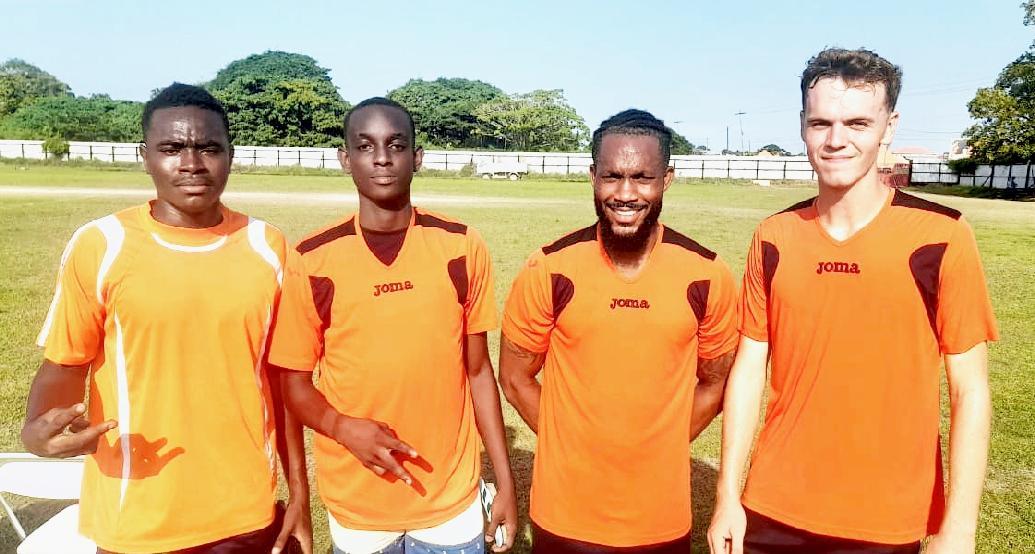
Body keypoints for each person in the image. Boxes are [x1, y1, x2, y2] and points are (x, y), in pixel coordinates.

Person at [708, 48, 997, 554]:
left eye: (858, 123)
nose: (836, 140)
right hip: (772, 506)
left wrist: (959, 530)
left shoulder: (941, 236)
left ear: (889, 126)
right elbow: (749, 370)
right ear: (802, 126)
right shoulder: (774, 236)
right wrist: (727, 494)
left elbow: (969, 390)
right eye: (821, 123)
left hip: (886, 520)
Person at [22, 83, 312, 553]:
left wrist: (299, 492)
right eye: (172, 148)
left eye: (209, 148)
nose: (192, 163)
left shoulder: (269, 247)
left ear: (230, 156)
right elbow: (65, 364)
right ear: (145, 156)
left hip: (244, 512)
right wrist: (37, 428)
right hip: (134, 516)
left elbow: (280, 381)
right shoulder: (102, 245)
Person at [267, 97, 517, 554]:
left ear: (416, 158)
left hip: (450, 500)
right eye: (365, 146)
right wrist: (342, 428)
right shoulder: (313, 258)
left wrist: (505, 481)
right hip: (358, 501)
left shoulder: (460, 246)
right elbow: (293, 385)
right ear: (346, 159)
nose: (382, 158)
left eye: (396, 145)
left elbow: (479, 371)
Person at [499, 109, 739, 553]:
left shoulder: (707, 274)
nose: (625, 193)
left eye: (642, 178)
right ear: (593, 177)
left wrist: (658, 445)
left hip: (660, 520)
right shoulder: (549, 268)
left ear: (666, 179)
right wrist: (570, 442)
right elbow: (514, 377)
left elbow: (717, 381)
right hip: (564, 515)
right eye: (612, 176)